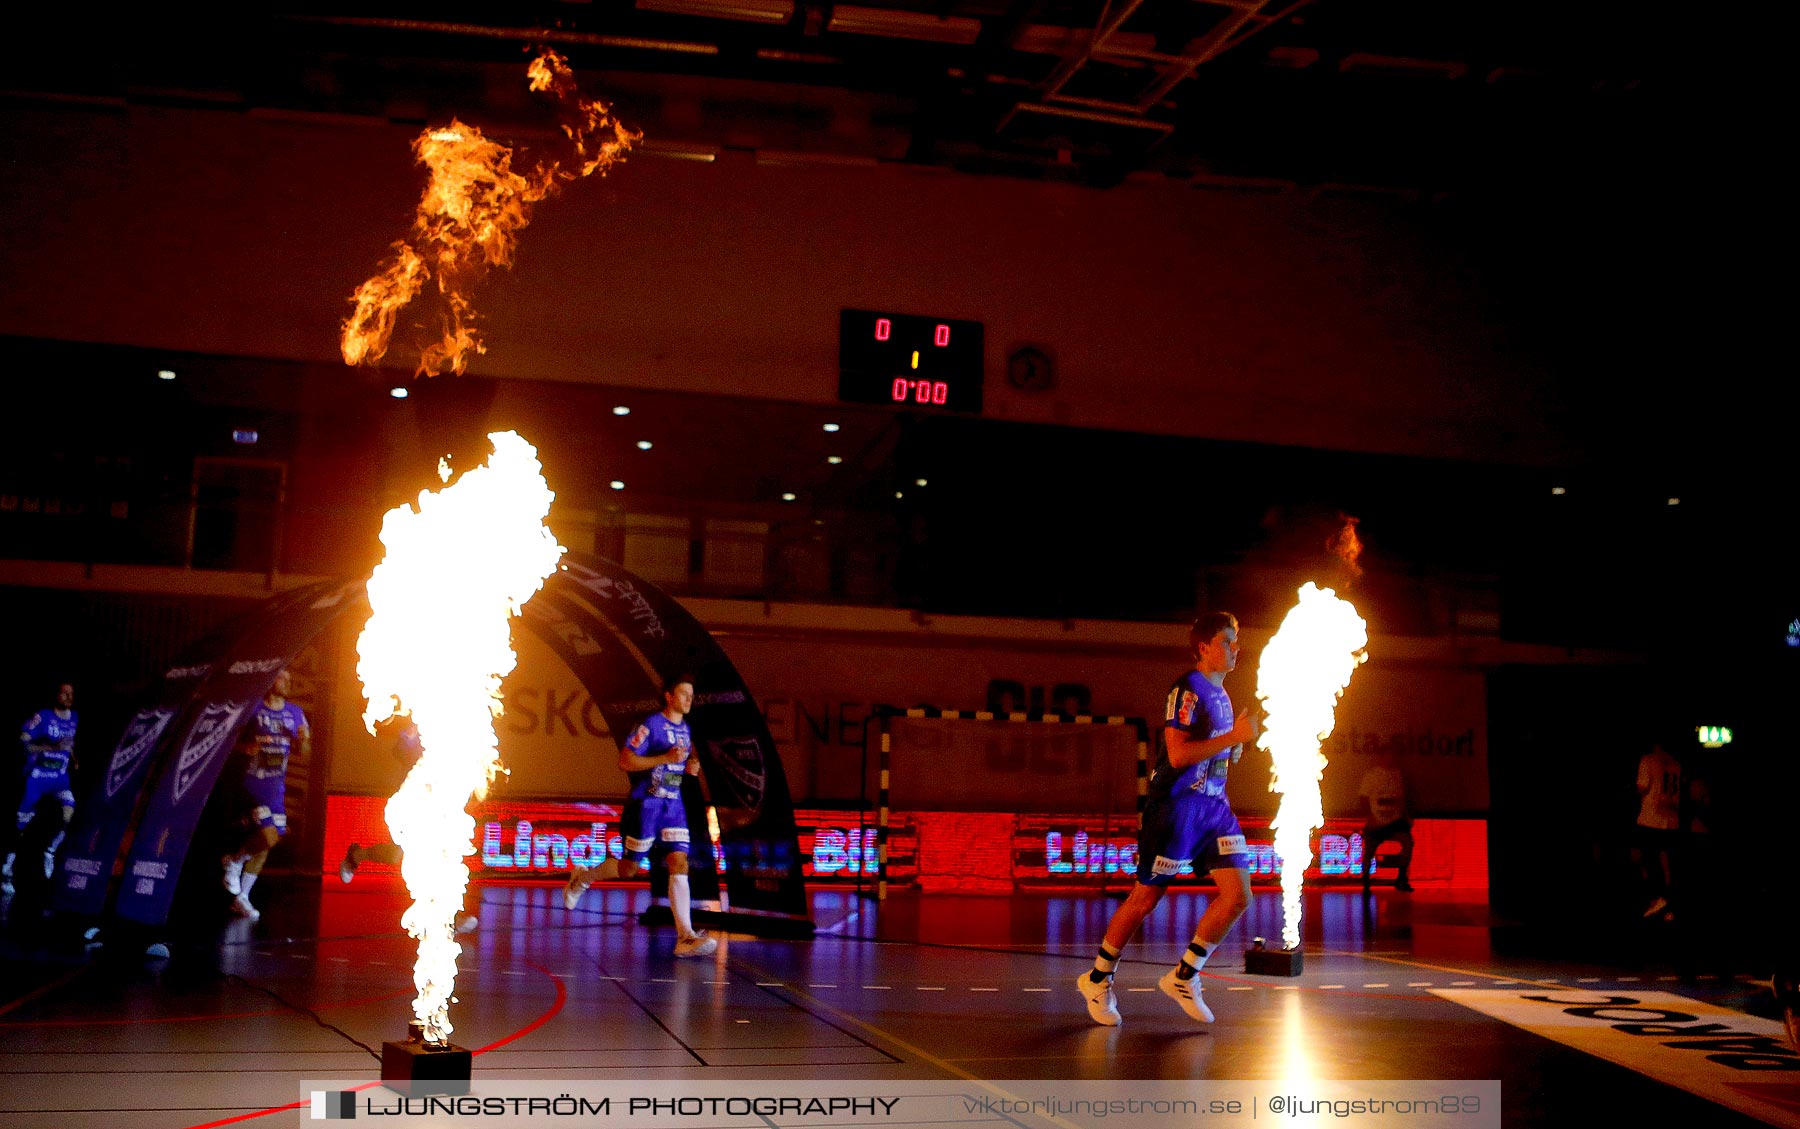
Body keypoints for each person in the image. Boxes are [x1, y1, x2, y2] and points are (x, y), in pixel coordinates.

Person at [1076, 612, 1258, 1026]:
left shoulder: (1224, 696)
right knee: (1146, 899)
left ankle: (1184, 976)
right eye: (1227, 641)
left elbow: (1214, 751)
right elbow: (1177, 756)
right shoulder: (1187, 690)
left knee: (1238, 895)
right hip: (1177, 809)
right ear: (1203, 648)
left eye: (1236, 640)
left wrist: (1234, 749)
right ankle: (1098, 978)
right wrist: (1233, 738)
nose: (1235, 648)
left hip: (1215, 808)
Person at [562, 674, 717, 958]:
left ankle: (685, 936)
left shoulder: (686, 729)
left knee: (679, 862)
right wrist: (664, 759)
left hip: (673, 806)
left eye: (691, 695)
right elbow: (626, 760)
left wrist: (687, 768)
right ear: (669, 696)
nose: (688, 700)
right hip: (646, 805)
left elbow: (677, 761)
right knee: (629, 869)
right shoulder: (651, 725)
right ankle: (582, 878)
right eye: (683, 694)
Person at [339, 720, 478, 934]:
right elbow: (399, 750)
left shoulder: (456, 723)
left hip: (441, 802)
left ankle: (451, 916)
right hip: (415, 802)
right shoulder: (421, 719)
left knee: (443, 857)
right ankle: (356, 855)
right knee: (398, 856)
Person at [219, 668, 309, 921]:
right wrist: (244, 748)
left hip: (275, 788)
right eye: (282, 677)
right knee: (268, 837)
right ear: (270, 681)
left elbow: (306, 753)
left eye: (290, 679)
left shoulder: (295, 713)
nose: (287, 682)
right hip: (253, 784)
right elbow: (227, 740)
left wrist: (302, 740)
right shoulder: (254, 708)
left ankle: (242, 898)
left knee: (268, 844)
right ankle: (233, 861)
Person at [4, 682, 78, 896]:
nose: (68, 697)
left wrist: (73, 758)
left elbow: (69, 743)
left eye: (71, 694)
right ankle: (7, 869)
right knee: (21, 825)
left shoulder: (74, 718)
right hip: (38, 776)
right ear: (56, 695)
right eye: (64, 693)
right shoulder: (43, 716)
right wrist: (51, 747)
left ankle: (50, 851)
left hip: (60, 778)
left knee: (69, 812)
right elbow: (23, 741)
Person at [1632, 740, 1681, 920]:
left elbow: (1642, 787)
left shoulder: (1648, 760)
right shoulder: (1675, 763)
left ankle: (1656, 898)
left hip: (1651, 819)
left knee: (1648, 860)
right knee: (1667, 861)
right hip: (1671, 819)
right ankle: (1667, 903)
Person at [1357, 752, 1414, 892]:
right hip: (1376, 821)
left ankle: (1401, 879)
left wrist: (1406, 816)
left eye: (1392, 756)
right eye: (1387, 755)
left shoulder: (1397, 775)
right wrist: (1369, 817)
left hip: (1395, 821)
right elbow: (1363, 798)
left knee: (1408, 843)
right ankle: (1365, 882)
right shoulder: (1371, 776)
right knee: (1369, 852)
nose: (1390, 758)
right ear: (1381, 757)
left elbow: (1401, 798)